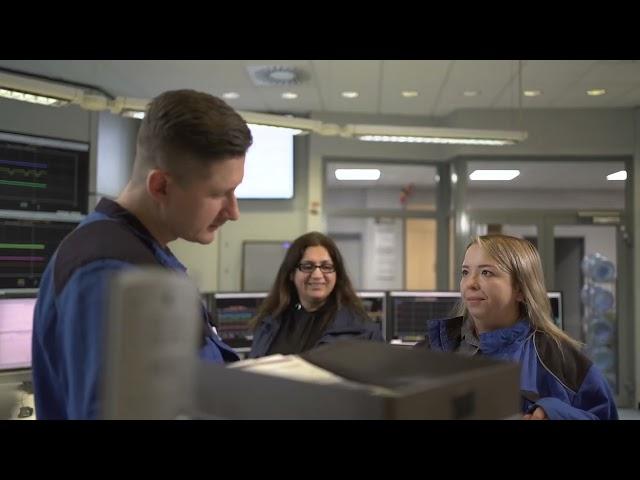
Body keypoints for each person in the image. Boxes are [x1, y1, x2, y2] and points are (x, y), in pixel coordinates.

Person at [32, 89, 253, 419]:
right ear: (161, 186)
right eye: (219, 193)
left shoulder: (143, 254)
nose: (233, 212)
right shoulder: (110, 274)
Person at [418, 234, 617, 420]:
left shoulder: (560, 359)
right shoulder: (435, 348)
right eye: (465, 272)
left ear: (521, 290)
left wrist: (554, 413)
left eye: (486, 272)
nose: (470, 283)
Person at [249, 231, 383, 357]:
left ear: (337, 274)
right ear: (291, 274)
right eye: (307, 266)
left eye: (326, 267)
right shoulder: (268, 324)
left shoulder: (363, 331)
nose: (317, 275)